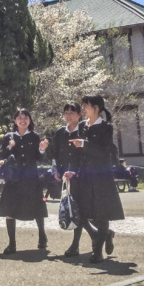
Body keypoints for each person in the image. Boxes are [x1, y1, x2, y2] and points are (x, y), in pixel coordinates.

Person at [69, 95, 125, 263]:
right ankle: (106, 234)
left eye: (86, 105)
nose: (83, 108)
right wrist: (71, 170)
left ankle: (97, 251)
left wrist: (85, 144)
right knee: (82, 213)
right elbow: (76, 153)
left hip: (101, 177)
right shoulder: (81, 126)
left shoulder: (106, 127)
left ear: (96, 108)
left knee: (101, 214)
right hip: (84, 176)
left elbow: (103, 151)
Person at [0, 108, 49, 255]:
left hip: (31, 178)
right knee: (10, 209)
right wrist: (10, 147)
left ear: (29, 120)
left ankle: (42, 236)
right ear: (15, 121)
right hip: (13, 179)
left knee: (37, 208)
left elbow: (39, 158)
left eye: (25, 117)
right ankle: (12, 244)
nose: (22, 120)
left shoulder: (34, 136)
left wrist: (42, 150)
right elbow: (1, 155)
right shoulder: (8, 136)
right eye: (19, 117)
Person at [52, 101, 99, 257]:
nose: (68, 115)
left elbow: (88, 155)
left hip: (83, 177)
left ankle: (82, 242)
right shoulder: (60, 132)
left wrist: (76, 171)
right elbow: (54, 154)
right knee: (73, 209)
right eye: (66, 112)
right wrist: (55, 171)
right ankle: (96, 236)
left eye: (72, 112)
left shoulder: (85, 130)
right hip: (66, 179)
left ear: (79, 114)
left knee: (80, 210)